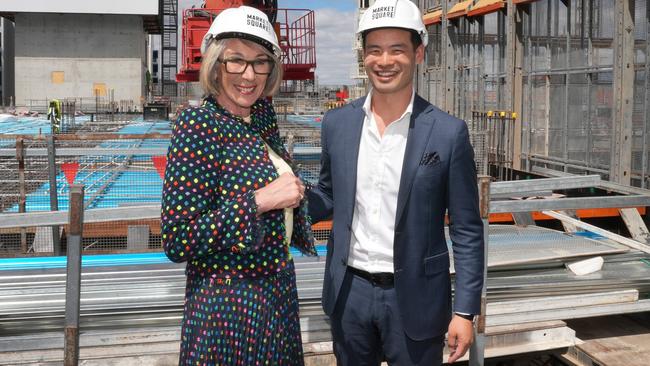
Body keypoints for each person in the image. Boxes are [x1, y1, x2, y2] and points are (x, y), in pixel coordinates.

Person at [307, 0, 485, 364]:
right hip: (349, 293)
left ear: (418, 54)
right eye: (374, 50)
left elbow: (467, 229)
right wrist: (283, 200)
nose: (384, 61)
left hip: (417, 297)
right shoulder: (337, 124)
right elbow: (327, 193)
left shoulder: (448, 134)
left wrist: (465, 312)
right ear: (364, 56)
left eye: (397, 50)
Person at [160, 6, 316, 365]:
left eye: (260, 62)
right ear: (215, 64)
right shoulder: (198, 124)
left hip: (276, 295)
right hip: (227, 308)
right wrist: (260, 200)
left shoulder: (261, 117)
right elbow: (178, 238)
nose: (249, 74)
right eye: (236, 61)